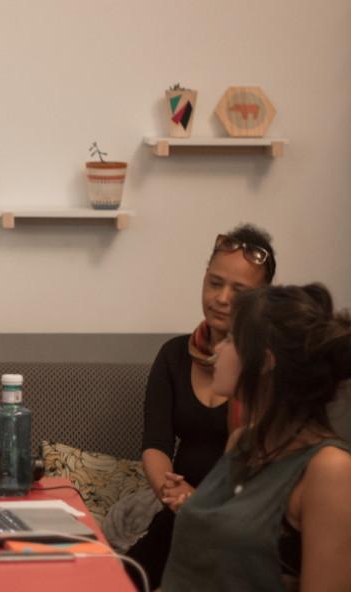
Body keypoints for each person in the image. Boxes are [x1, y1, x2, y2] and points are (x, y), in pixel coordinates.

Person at [162, 283, 351, 590]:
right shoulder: (242, 441)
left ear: (264, 361)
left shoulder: (330, 469)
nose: (219, 348)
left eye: (232, 339)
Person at [125, 224, 276, 589]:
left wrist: (201, 502)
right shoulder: (173, 355)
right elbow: (156, 444)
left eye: (239, 291)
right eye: (214, 283)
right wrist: (172, 493)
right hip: (179, 512)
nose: (222, 298)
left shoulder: (271, 367)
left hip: (235, 519)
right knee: (121, 574)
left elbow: (265, 470)